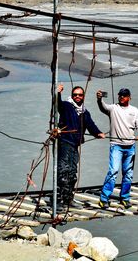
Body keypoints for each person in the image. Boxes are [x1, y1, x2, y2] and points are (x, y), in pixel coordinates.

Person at [55, 84, 105, 213]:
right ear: (72, 96)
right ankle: (59, 201)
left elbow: (90, 125)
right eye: (75, 94)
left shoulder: (84, 111)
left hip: (74, 144)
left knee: (72, 173)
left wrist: (98, 133)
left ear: (83, 96)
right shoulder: (66, 106)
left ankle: (69, 199)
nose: (77, 97)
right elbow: (57, 103)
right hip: (65, 142)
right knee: (63, 171)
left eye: (80, 95)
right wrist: (57, 92)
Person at [95, 87, 138, 208]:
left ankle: (125, 197)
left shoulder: (134, 110)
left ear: (129, 97)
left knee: (128, 174)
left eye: (124, 95)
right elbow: (103, 107)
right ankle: (104, 198)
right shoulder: (113, 108)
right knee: (113, 171)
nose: (122, 97)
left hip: (130, 147)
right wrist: (99, 99)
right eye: (120, 95)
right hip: (116, 146)